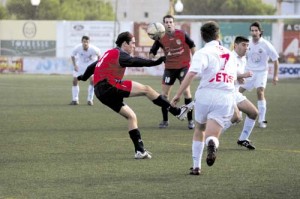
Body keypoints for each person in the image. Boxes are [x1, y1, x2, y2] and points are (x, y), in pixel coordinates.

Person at [77, 31, 193, 159]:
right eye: (132, 43)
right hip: (108, 86)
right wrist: (157, 61)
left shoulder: (108, 53)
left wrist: (83, 77)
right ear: (124, 43)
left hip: (100, 92)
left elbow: (91, 67)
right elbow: (135, 61)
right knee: (147, 90)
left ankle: (139, 151)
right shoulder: (120, 54)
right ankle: (177, 112)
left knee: (131, 116)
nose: (134, 46)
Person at [171, 21, 237, 175]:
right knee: (212, 135)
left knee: (199, 128)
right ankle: (212, 142)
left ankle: (196, 167)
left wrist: (178, 94)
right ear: (218, 35)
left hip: (205, 94)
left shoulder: (202, 52)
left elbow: (192, 74)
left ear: (202, 37)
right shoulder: (230, 54)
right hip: (225, 96)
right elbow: (233, 79)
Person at [149, 15, 196, 129]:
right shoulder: (160, 37)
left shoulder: (182, 34)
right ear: (163, 24)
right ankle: (165, 120)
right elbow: (152, 53)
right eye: (166, 22)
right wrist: (152, 59)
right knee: (164, 95)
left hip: (184, 67)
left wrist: (195, 60)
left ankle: (190, 121)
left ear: (174, 24)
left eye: (170, 22)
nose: (169, 24)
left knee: (186, 93)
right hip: (169, 69)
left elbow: (192, 45)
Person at [239, 21, 279, 128]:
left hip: (261, 72)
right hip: (249, 71)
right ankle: (238, 114)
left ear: (260, 31)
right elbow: (241, 55)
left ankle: (262, 119)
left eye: (256, 30)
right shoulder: (247, 43)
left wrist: (275, 76)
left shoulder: (266, 44)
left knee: (260, 91)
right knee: (237, 91)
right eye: (252, 30)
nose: (254, 32)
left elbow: (275, 60)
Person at [222, 36, 258, 150]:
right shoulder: (230, 57)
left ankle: (243, 139)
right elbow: (226, 76)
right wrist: (243, 75)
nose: (246, 48)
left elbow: (235, 76)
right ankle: (211, 138)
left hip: (235, 92)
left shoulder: (243, 58)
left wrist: (240, 78)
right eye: (243, 45)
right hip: (226, 92)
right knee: (236, 117)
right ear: (235, 45)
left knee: (253, 113)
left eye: (247, 45)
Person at [70, 35, 101, 106]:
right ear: (82, 42)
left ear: (89, 42)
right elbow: (72, 55)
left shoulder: (94, 49)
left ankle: (90, 100)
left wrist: (98, 66)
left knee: (92, 81)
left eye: (87, 42)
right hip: (80, 65)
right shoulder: (77, 48)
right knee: (75, 81)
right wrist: (75, 65)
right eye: (84, 41)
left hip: (91, 65)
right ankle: (75, 100)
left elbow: (99, 55)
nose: (85, 43)